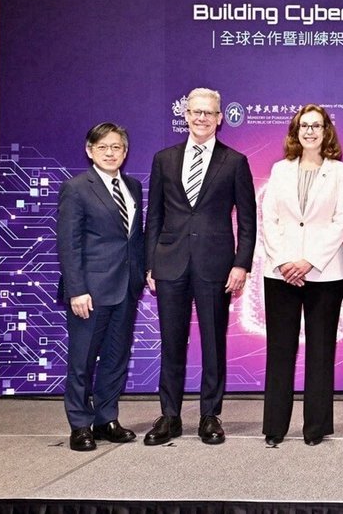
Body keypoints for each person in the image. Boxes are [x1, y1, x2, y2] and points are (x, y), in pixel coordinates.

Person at [144, 87, 257, 446]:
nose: (202, 118)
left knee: (213, 343)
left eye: (209, 113)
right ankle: (170, 416)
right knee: (171, 343)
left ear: (220, 118)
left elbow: (248, 221)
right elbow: (154, 216)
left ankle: (210, 415)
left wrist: (241, 264)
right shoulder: (164, 159)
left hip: (216, 266)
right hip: (170, 263)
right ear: (186, 115)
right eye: (196, 112)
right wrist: (150, 264)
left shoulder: (235, 161)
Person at [260, 105, 343, 446]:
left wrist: (309, 261)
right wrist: (285, 261)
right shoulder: (279, 170)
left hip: (325, 273)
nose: (310, 131)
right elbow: (269, 218)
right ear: (295, 132)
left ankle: (315, 427)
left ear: (326, 131)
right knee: (280, 350)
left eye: (316, 126)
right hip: (280, 273)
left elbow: (341, 221)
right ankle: (275, 427)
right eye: (304, 126)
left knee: (320, 351)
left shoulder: (340, 172)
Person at [56, 122, 145, 451]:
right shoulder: (77, 188)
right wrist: (76, 289)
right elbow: (68, 244)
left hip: (126, 288)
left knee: (115, 358)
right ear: (90, 150)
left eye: (116, 147)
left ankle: (106, 419)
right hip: (89, 292)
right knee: (82, 360)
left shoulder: (133, 187)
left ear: (125, 151)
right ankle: (80, 424)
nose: (110, 153)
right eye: (103, 147)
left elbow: (134, 238)